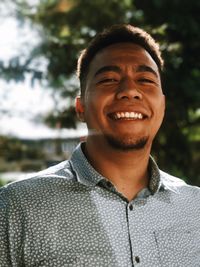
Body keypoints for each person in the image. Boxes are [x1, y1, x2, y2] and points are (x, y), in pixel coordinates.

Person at [0, 24, 200, 267]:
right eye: (109, 79)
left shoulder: (195, 207)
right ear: (81, 107)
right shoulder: (17, 206)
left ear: (163, 105)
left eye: (145, 79)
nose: (129, 90)